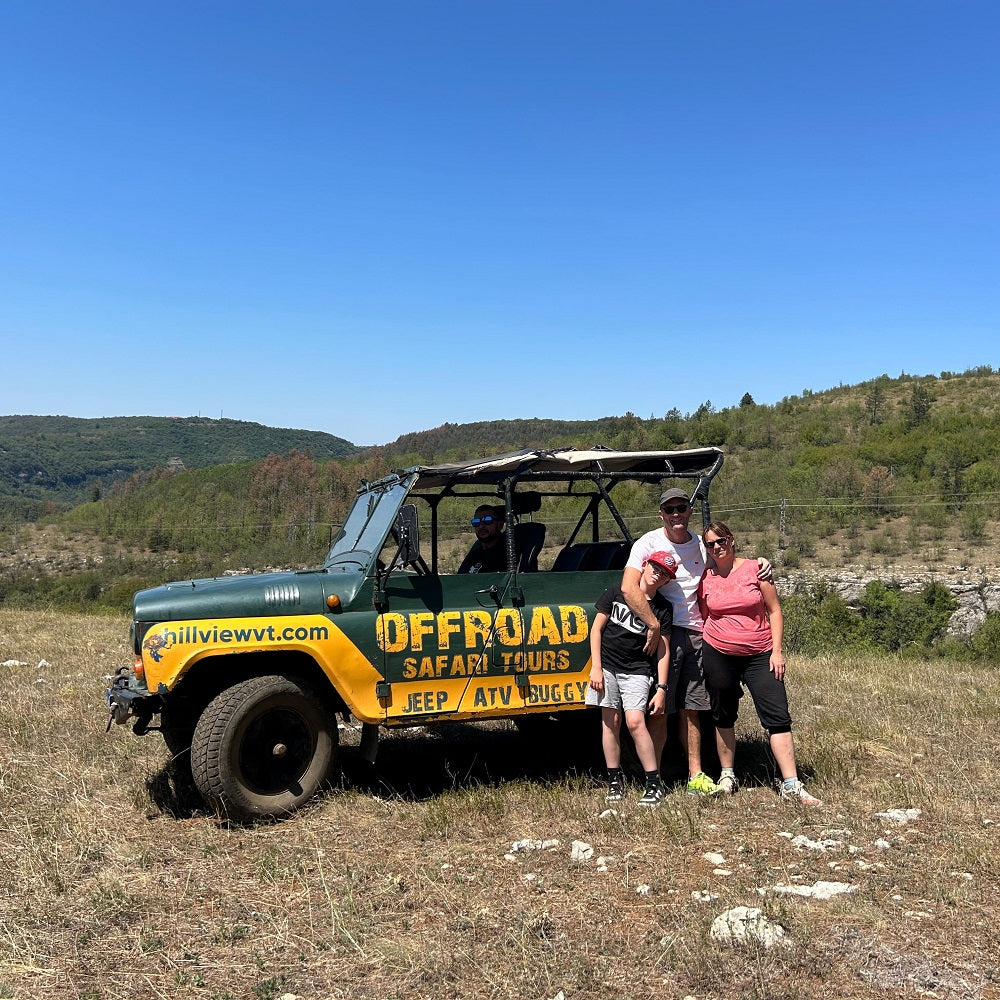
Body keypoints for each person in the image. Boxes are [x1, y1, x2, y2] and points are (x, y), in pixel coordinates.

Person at [621, 488, 771, 796]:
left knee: (693, 706)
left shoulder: (702, 546)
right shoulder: (648, 543)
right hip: (666, 631)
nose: (676, 514)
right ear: (661, 514)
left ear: (689, 511)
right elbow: (628, 586)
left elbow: (728, 562)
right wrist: (652, 622)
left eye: (681, 508)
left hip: (701, 633)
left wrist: (761, 563)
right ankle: (655, 775)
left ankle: (696, 774)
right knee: (660, 707)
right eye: (670, 509)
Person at [698, 520, 821, 806]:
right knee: (722, 713)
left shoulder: (757, 569)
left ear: (732, 540)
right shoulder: (706, 578)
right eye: (711, 544)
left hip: (760, 652)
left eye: (722, 541)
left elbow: (774, 610)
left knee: (777, 714)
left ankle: (791, 782)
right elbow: (706, 616)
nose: (717, 547)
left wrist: (777, 651)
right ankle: (727, 775)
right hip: (718, 652)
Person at [587, 551, 677, 807]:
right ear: (645, 565)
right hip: (608, 667)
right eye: (655, 567)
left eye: (664, 573)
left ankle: (653, 783)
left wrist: (661, 688)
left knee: (636, 721)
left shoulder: (662, 609)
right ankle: (614, 781)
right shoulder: (617, 591)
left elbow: (663, 650)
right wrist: (596, 666)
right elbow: (597, 629)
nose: (657, 574)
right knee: (610, 722)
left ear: (666, 581)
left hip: (637, 670)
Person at [457, 505, 508, 574]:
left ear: (500, 525)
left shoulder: (508, 554)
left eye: (487, 520)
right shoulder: (474, 555)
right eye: (476, 522)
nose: (481, 526)